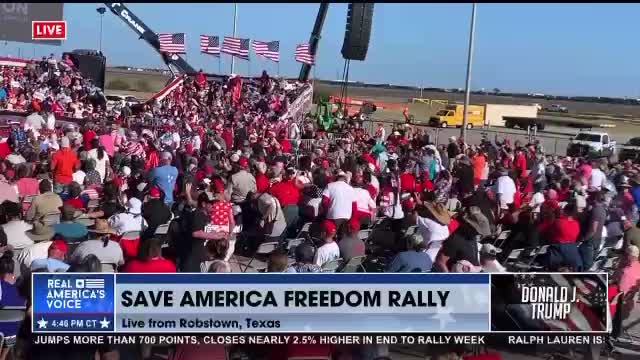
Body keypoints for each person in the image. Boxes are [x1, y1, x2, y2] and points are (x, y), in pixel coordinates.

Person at [436, 206, 490, 272]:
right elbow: (440, 262)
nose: (478, 234)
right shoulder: (456, 239)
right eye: (477, 231)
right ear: (470, 226)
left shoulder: (472, 236)